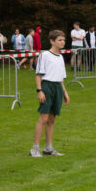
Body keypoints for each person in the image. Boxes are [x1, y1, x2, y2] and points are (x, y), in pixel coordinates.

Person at [31, 30, 70, 158]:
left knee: (52, 119)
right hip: (47, 86)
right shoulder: (45, 55)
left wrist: (64, 92)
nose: (62, 42)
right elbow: (38, 75)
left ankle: (48, 148)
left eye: (63, 40)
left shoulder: (61, 57)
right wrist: (39, 91)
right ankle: (35, 149)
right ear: (52, 41)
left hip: (57, 87)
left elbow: (60, 78)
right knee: (43, 118)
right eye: (59, 40)